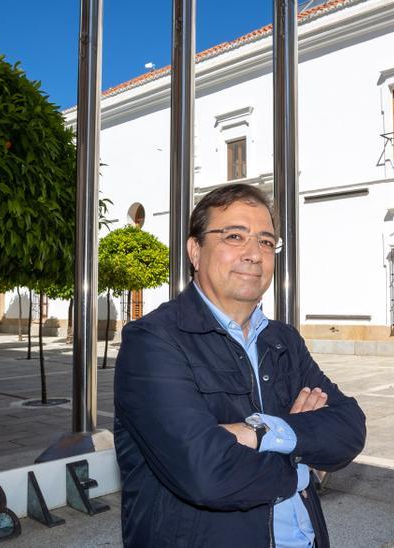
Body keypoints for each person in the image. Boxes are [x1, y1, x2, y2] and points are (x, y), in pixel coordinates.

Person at [114, 183, 367, 547]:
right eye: (235, 236)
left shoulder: (283, 339)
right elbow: (205, 472)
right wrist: (302, 463)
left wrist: (263, 431)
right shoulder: (153, 341)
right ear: (195, 251)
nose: (254, 253)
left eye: (266, 241)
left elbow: (349, 428)